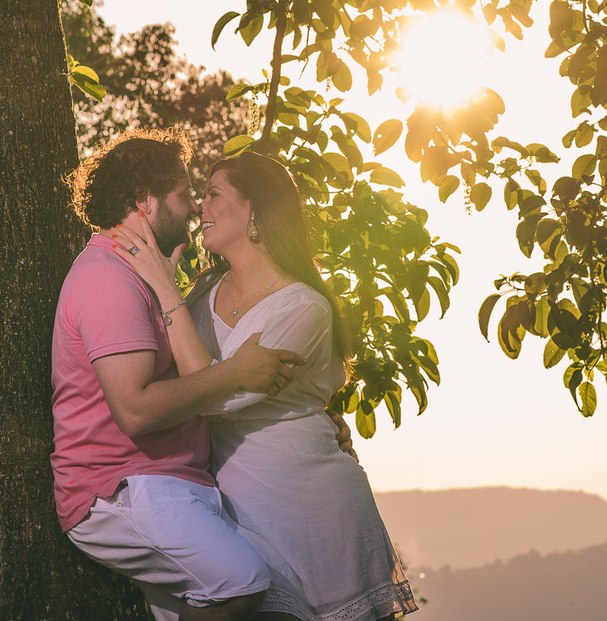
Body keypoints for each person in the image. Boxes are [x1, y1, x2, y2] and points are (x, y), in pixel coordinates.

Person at [111, 151, 417, 621]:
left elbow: (220, 399)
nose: (199, 208)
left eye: (213, 194)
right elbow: (178, 381)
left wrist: (165, 291)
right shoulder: (200, 294)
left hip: (311, 512)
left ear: (252, 209)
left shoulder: (305, 307)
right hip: (234, 513)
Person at [50, 129, 303, 621]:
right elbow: (136, 410)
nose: (193, 208)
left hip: (172, 483)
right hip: (121, 487)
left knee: (288, 603)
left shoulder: (143, 274)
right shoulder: (108, 278)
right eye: (185, 195)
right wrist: (235, 373)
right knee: (242, 583)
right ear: (143, 199)